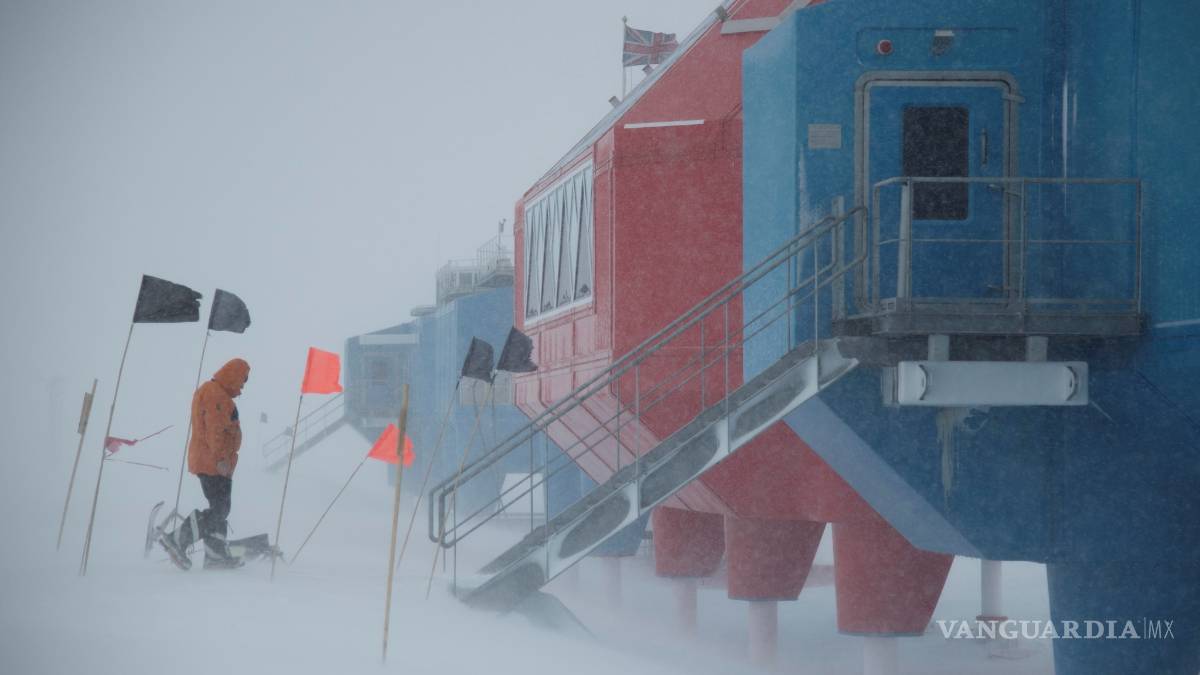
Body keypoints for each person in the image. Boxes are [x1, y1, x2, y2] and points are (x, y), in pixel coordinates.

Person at [160, 358, 250, 570]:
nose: (242, 386)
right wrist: (220, 460)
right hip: (213, 462)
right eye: (242, 381)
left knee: (220, 509)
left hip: (215, 461)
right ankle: (178, 539)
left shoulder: (217, 394)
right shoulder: (215, 395)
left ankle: (215, 555)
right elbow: (215, 430)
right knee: (219, 510)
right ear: (233, 375)